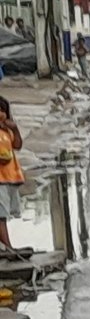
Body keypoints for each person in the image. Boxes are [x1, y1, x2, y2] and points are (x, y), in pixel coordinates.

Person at [0, 97, 22, 246]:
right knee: (0, 215)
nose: (1, 113)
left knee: (4, 214)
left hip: (10, 177)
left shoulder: (6, 130)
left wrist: (14, 129)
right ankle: (8, 247)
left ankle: (6, 246)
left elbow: (17, 145)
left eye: (3, 110)